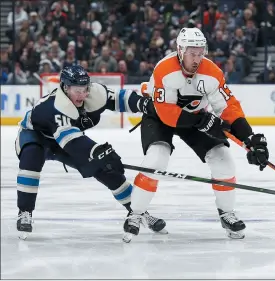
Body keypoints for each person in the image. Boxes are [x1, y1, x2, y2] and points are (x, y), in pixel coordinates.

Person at [124, 27, 270, 240]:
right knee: (156, 160)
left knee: (223, 160)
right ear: (180, 51)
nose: (197, 58)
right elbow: (166, 113)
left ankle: (226, 213)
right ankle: (135, 214)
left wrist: (249, 138)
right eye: (192, 52)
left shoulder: (211, 72)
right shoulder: (165, 69)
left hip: (195, 117)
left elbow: (228, 107)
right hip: (159, 117)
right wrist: (203, 121)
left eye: (201, 52)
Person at [15, 65, 166, 241]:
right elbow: (72, 142)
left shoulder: (95, 93)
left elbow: (119, 98)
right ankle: (24, 212)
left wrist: (143, 103)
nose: (82, 94)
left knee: (106, 171)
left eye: (84, 89)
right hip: (36, 136)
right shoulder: (54, 107)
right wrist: (99, 153)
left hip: (67, 139)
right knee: (31, 158)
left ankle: (138, 212)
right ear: (65, 87)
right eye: (77, 90)